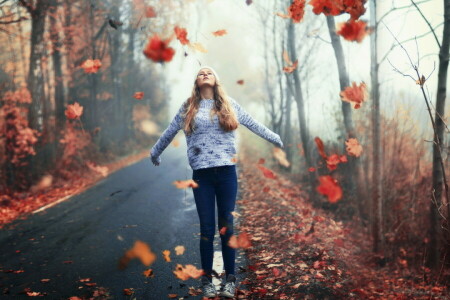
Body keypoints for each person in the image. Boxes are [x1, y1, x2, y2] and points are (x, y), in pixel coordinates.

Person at [149, 65, 284, 298]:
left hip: (227, 174)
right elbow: (169, 132)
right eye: (200, 72)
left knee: (226, 228)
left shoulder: (229, 104)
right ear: (196, 81)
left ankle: (230, 280)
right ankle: (207, 282)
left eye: (209, 72)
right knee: (207, 229)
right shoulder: (189, 106)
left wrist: (276, 139)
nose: (204, 74)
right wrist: (155, 152)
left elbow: (253, 123)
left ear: (215, 79)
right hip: (202, 176)